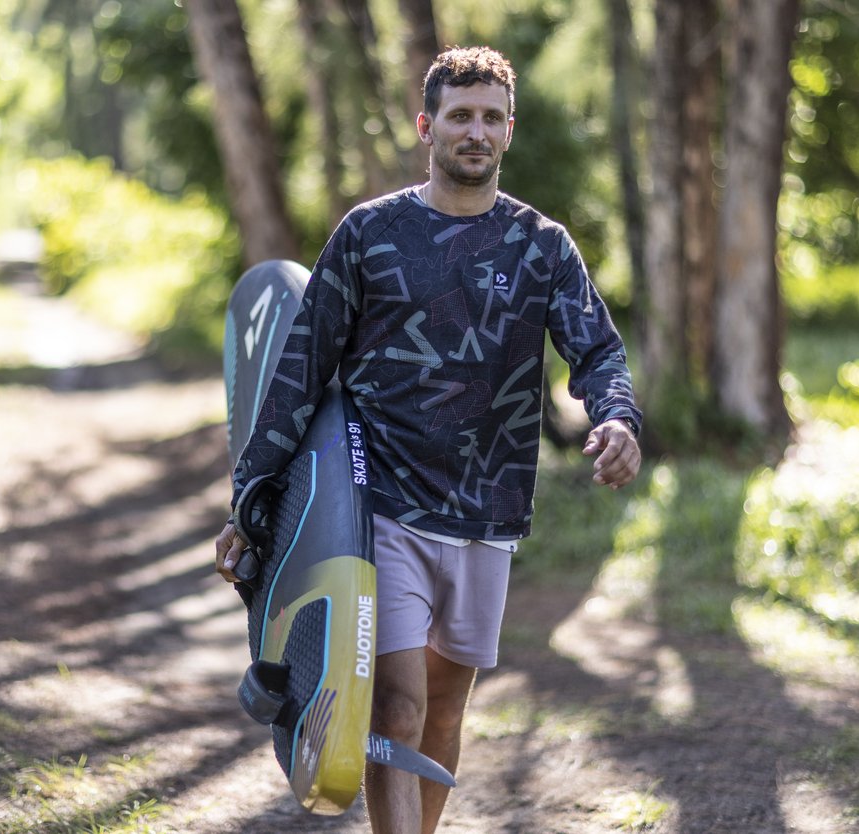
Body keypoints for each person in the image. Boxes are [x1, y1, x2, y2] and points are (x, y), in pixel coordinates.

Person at [214, 45, 642, 834]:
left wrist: (616, 416)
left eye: (491, 118)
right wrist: (252, 497)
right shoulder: (370, 233)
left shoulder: (541, 245)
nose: (476, 132)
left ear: (509, 129)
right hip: (384, 506)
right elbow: (301, 372)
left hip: (488, 513)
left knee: (443, 712)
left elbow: (598, 351)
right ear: (427, 126)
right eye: (460, 116)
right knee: (398, 708)